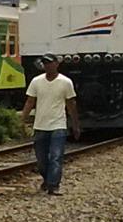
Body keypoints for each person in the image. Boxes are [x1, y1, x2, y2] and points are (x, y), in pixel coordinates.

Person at [20, 54, 79, 194]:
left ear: (56, 64)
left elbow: (71, 104)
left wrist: (75, 124)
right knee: (41, 160)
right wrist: (22, 120)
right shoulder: (36, 81)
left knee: (56, 156)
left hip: (58, 125)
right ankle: (47, 179)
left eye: (50, 63)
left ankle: (54, 185)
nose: (47, 66)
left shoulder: (65, 82)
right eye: (45, 63)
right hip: (40, 125)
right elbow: (30, 101)